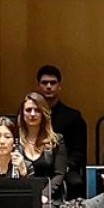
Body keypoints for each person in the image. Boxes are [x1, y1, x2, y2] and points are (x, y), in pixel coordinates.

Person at [35, 65, 88, 197]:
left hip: (65, 167)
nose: (48, 86)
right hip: (35, 166)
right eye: (44, 83)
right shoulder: (31, 115)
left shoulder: (73, 117)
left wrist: (64, 166)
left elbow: (78, 152)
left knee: (75, 183)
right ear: (38, 86)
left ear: (59, 86)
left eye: (53, 83)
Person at [14, 93, 66, 199]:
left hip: (49, 197)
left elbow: (59, 174)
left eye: (37, 110)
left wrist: (44, 195)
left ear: (44, 113)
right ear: (22, 113)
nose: (32, 114)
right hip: (22, 194)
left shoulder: (56, 140)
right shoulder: (15, 141)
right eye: (28, 110)